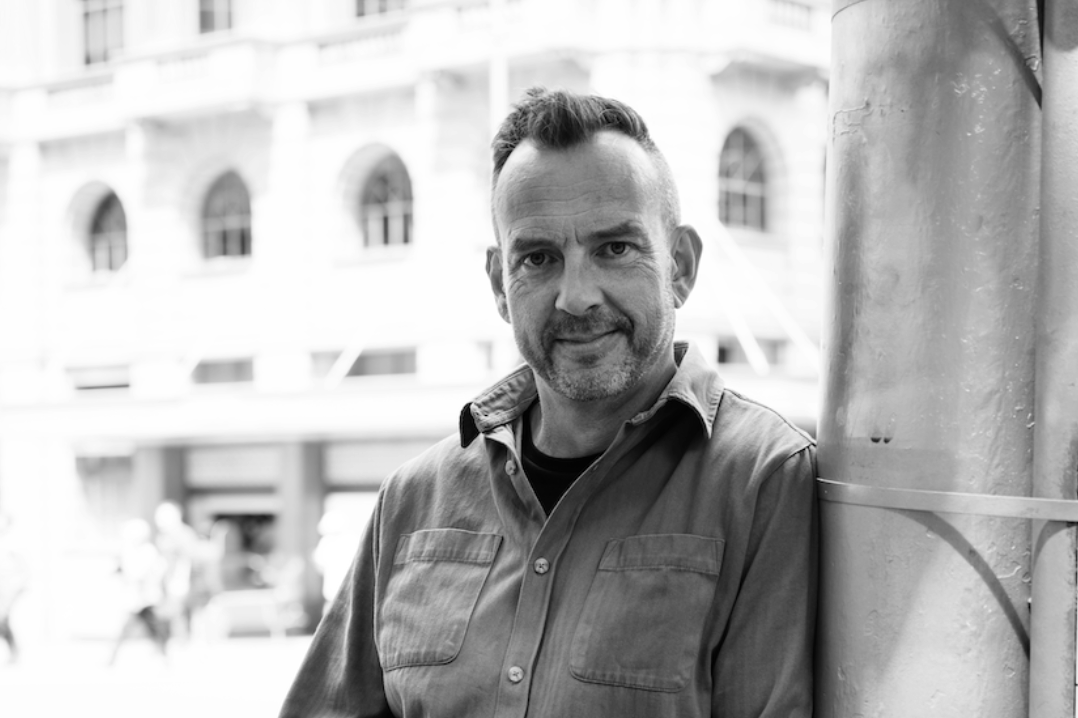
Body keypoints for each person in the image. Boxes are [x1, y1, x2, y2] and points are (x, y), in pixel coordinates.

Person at [279, 88, 817, 717]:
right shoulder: (412, 498)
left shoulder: (765, 481)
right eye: (538, 258)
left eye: (614, 248)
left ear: (680, 266)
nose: (576, 296)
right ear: (499, 286)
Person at [108, 518, 169, 665]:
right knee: (148, 628)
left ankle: (163, 656)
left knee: (152, 628)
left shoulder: (148, 551)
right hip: (137, 598)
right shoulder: (129, 550)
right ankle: (163, 656)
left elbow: (141, 574)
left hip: (146, 598)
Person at [0, 512, 28, 664]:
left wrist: (19, 586)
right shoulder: (3, 541)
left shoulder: (12, 542)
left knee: (2, 619)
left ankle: (15, 651)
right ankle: (14, 651)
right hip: (3, 587)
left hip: (10, 588)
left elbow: (23, 569)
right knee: (3, 620)